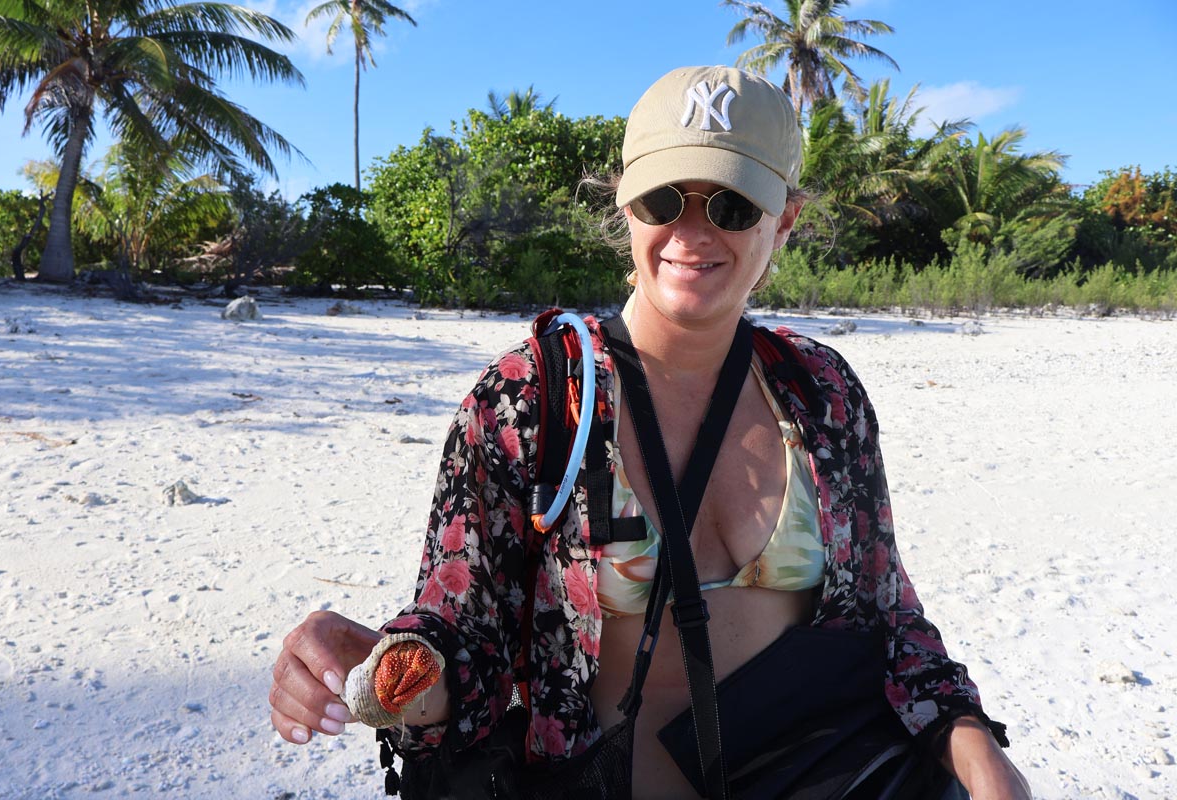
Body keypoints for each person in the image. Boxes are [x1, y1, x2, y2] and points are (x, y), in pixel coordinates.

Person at [269, 65, 1031, 799]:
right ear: (627, 207)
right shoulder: (534, 397)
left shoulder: (821, 394)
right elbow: (464, 638)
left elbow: (887, 617)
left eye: (732, 205)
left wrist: (982, 755)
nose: (691, 234)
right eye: (664, 200)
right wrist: (387, 671)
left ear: (786, 219)